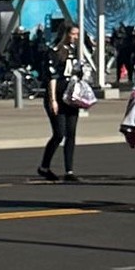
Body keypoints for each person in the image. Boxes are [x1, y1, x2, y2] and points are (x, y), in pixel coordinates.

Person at [39, 26, 90, 181]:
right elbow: (52, 77)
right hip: (58, 96)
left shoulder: (75, 50)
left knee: (71, 133)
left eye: (77, 34)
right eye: (73, 34)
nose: (75, 37)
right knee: (59, 133)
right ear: (65, 34)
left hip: (71, 96)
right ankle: (44, 166)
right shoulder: (54, 51)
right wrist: (52, 100)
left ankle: (69, 171)